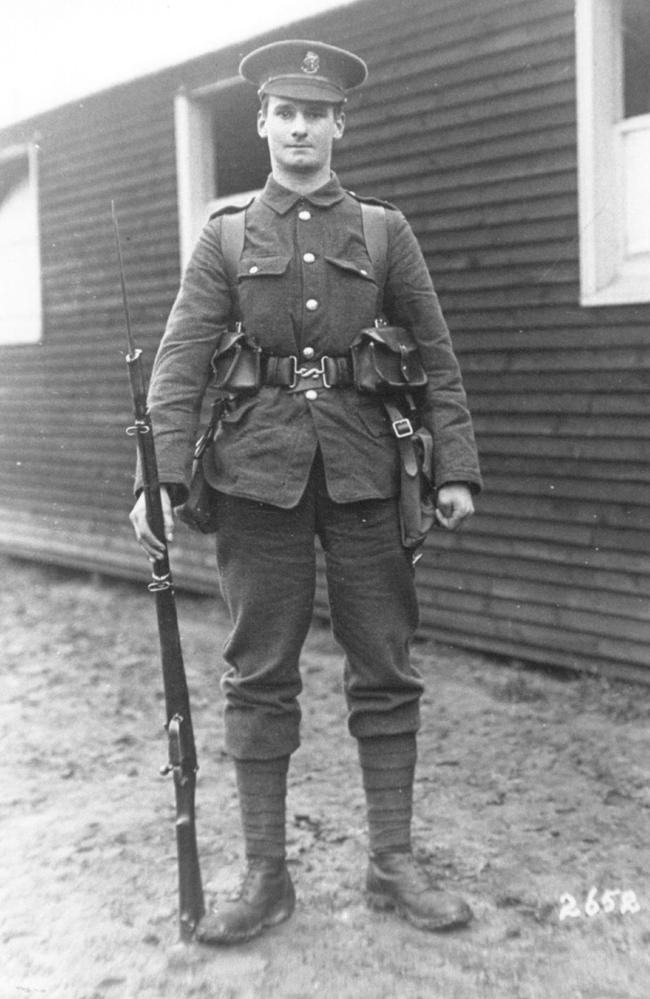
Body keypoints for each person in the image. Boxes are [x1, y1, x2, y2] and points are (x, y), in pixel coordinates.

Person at [130, 38, 482, 945]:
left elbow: (436, 355)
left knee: (387, 665)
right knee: (258, 675)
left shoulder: (381, 231)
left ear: (337, 125)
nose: (299, 129)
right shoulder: (228, 234)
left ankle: (391, 861)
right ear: (261, 124)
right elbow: (177, 362)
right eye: (283, 113)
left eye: (315, 114)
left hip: (370, 471)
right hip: (256, 477)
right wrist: (160, 480)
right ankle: (265, 876)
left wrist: (456, 470)